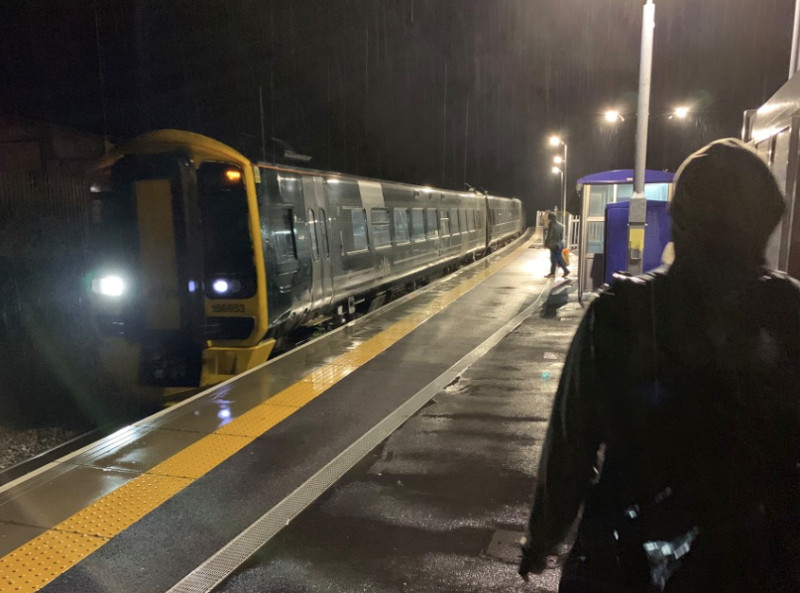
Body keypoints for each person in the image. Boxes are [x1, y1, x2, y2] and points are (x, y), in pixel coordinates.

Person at [519, 138, 800, 593]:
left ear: (679, 218)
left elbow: (570, 444)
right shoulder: (790, 313)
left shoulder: (619, 311)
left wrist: (542, 538)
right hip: (758, 560)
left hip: (625, 561)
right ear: (766, 220)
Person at [545, 211, 570, 278]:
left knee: (556, 259)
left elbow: (549, 236)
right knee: (556, 259)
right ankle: (553, 273)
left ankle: (565, 271)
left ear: (550, 218)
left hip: (554, 245)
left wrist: (546, 244)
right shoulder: (560, 226)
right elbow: (561, 237)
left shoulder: (551, 224)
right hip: (560, 244)